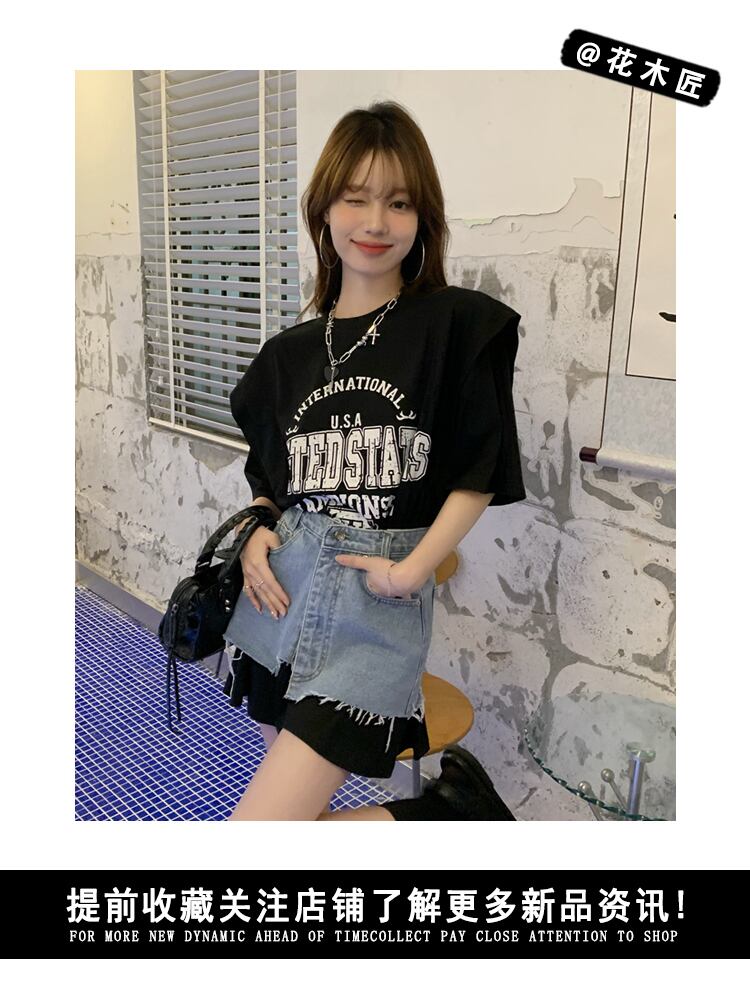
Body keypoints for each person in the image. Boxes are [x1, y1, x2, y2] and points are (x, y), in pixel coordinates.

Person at [221, 101, 525, 821]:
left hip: (373, 615)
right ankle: (454, 812)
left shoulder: (453, 326)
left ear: (423, 218)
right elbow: (274, 487)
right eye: (355, 198)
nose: (376, 222)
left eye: (399, 202)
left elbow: (479, 468)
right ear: (324, 208)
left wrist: (415, 569)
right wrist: (256, 534)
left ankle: (449, 818)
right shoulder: (287, 356)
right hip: (280, 600)